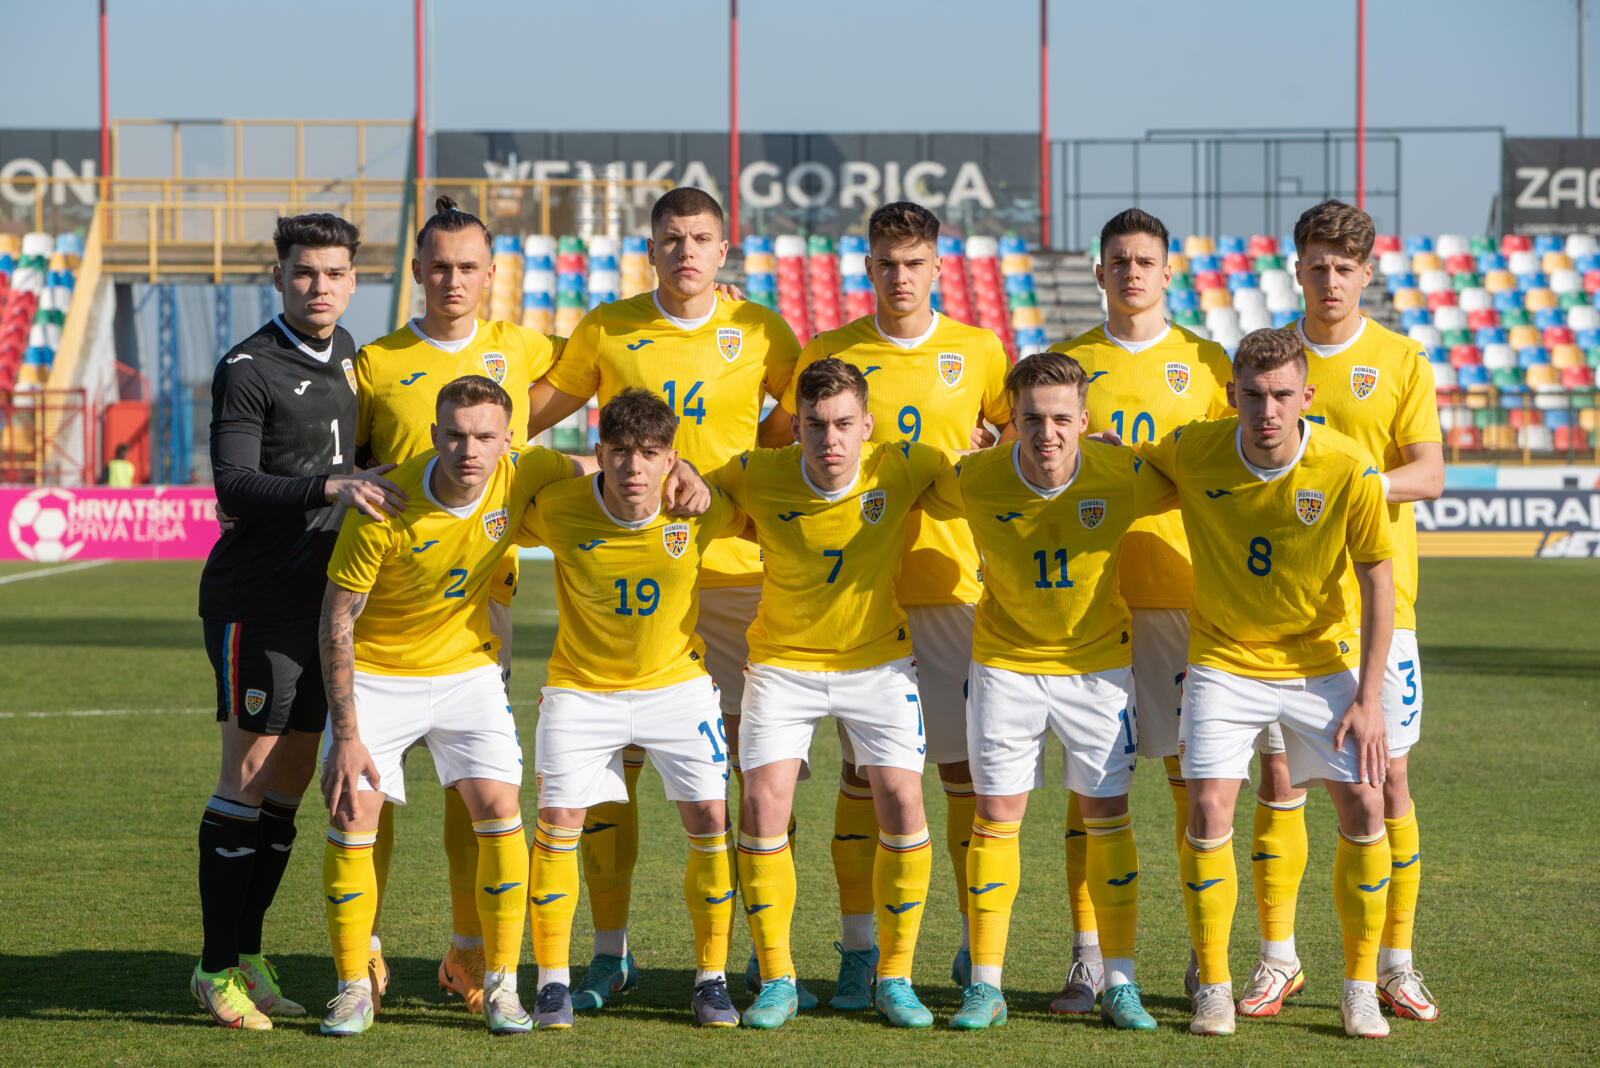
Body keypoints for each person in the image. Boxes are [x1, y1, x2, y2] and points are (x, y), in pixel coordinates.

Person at [525, 186, 801, 1011]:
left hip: (741, 577)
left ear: (725, 252)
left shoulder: (761, 330)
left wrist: (732, 482)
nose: (687, 251)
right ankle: (611, 954)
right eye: (672, 238)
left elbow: (805, 412)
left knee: (752, 774)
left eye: (702, 238)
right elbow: (538, 416)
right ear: (651, 248)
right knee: (621, 770)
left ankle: (756, 954)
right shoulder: (609, 328)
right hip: (632, 579)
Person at [780, 200, 1011, 1005]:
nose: (900, 275)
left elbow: (1019, 449)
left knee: (958, 772)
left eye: (915, 262)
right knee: (860, 773)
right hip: (852, 594)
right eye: (886, 262)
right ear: (867, 266)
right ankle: (857, 949)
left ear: (939, 267)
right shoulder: (832, 349)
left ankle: (960, 943)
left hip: (948, 585)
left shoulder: (979, 351)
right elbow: (787, 450)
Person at [1138, 327, 1397, 1039]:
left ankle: (1359, 985)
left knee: (1365, 808)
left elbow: (1380, 583)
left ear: (1307, 396)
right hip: (1224, 661)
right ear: (1232, 398)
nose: (1268, 410)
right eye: (1253, 396)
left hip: (1320, 663)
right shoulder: (1196, 448)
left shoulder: (1348, 467)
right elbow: (1122, 458)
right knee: (1207, 811)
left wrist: (1370, 700)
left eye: (1283, 394)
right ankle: (1214, 986)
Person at [316, 375, 581, 1036]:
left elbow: (602, 466)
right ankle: (352, 985)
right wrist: (346, 735)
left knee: (499, 804)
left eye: (485, 436)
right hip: (378, 673)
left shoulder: (524, 474)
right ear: (435, 436)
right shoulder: (385, 503)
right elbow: (336, 623)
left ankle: (499, 983)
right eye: (456, 435)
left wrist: (682, 472)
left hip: (467, 672)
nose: (470, 449)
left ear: (509, 441)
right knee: (354, 804)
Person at [1233, 199, 1445, 1023]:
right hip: (1279, 609)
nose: (1329, 280)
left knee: (1383, 777)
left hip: (1378, 610)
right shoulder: (1266, 357)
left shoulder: (1399, 358)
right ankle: (1278, 959)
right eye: (1316, 265)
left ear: (1367, 274)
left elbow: (1427, 474)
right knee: (1278, 775)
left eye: (1344, 267)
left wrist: (1353, 489)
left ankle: (1395, 963)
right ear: (1297, 268)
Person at [192, 213, 405, 1030]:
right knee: (244, 785)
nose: (320, 286)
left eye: (335, 273)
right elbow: (233, 487)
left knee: (286, 793)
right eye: (304, 272)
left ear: (356, 280)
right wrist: (331, 485)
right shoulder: (248, 366)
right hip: (258, 605)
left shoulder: (356, 357)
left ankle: (246, 953)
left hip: (329, 610)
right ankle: (213, 970)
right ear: (279, 276)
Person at [709, 357, 963, 1031]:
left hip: (878, 663)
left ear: (867, 425)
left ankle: (894, 976)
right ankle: (778, 978)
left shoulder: (904, 466)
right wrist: (676, 473)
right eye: (815, 425)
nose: (830, 440)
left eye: (844, 424)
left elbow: (989, 484)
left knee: (903, 798)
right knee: (763, 801)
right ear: (795, 429)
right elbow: (692, 494)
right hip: (782, 665)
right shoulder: (755, 473)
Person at [352, 196, 561, 1011]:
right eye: (438, 265)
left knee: (471, 787)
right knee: (371, 784)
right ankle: (363, 945)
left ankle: (468, 951)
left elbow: (618, 361)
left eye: (468, 266)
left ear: (492, 273)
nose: (452, 279)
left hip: (481, 608)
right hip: (382, 611)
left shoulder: (526, 348)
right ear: (416, 271)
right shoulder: (376, 363)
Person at [1048, 207, 1232, 1011]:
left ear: (1168, 272)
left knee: (1193, 782)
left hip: (1180, 597)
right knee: (1090, 786)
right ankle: (1089, 956)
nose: (1131, 272)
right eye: (1118, 259)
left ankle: (1205, 956)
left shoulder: (1207, 361)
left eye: (1145, 260)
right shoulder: (1069, 364)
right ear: (1098, 272)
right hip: (1085, 604)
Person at [514, 388, 745, 1030]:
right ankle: (555, 982)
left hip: (677, 687)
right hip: (581, 691)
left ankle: (711, 979)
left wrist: (701, 480)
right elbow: (497, 488)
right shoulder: (560, 509)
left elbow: (763, 509)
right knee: (558, 824)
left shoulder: (698, 511)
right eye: (620, 453)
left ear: (673, 458)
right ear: (599, 454)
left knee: (709, 818)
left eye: (649, 453)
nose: (634, 468)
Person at [951, 352, 1163, 1033]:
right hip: (1005, 665)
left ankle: (1120, 981)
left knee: (1108, 814)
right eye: (1032, 419)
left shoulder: (1124, 473)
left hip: (1099, 670)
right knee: (996, 815)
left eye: (1062, 419)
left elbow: (1214, 483)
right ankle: (985, 985)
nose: (1048, 433)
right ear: (1009, 421)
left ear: (1086, 421)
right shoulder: (974, 476)